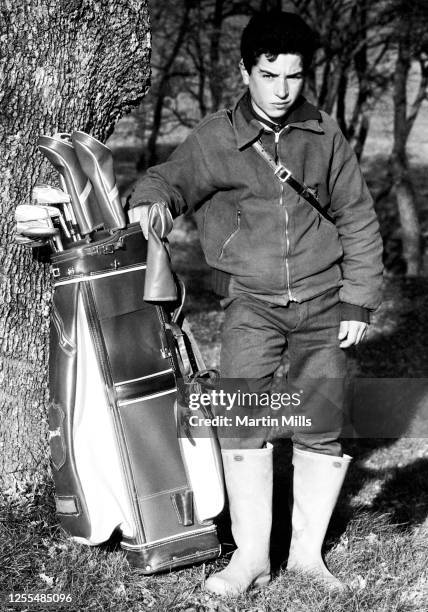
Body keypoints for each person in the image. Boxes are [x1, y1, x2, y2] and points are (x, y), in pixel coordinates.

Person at [128, 11, 383, 596]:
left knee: (320, 425)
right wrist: (152, 203)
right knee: (244, 424)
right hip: (252, 305)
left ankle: (307, 558)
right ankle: (250, 559)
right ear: (245, 71)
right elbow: (168, 179)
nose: (282, 90)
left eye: (294, 77)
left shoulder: (323, 133)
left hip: (324, 301)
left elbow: (358, 218)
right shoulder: (217, 138)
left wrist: (358, 302)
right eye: (269, 75)